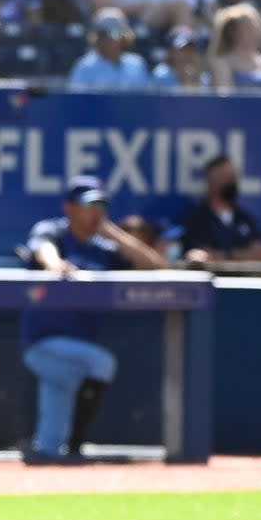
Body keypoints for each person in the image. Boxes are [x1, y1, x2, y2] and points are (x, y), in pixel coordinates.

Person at [20, 176, 167, 463]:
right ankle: (75, 447)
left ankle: (45, 454)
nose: (96, 213)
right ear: (70, 208)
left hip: (78, 345)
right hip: (43, 343)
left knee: (54, 424)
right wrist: (57, 265)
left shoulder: (105, 248)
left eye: (101, 206)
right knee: (101, 363)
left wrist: (112, 232)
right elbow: (43, 249)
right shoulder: (54, 232)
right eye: (89, 206)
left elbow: (153, 266)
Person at [180, 153, 261, 263]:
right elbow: (201, 256)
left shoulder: (244, 218)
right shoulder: (196, 219)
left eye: (234, 177)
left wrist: (225, 255)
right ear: (210, 181)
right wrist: (242, 255)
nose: (232, 183)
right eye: (226, 177)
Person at [68, 7, 152, 90]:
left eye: (116, 33)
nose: (110, 39)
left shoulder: (137, 64)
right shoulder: (85, 66)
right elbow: (77, 101)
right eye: (103, 34)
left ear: (125, 35)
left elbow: (145, 98)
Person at [206, 1, 261, 88]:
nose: (255, 33)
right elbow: (225, 95)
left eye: (256, 28)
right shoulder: (223, 63)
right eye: (248, 28)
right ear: (233, 33)